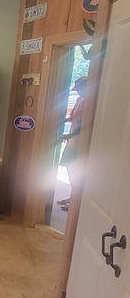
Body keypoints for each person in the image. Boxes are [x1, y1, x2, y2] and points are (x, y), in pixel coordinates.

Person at [57, 76, 89, 210]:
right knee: (70, 169)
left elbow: (85, 124)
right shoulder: (79, 100)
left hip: (80, 140)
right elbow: (72, 117)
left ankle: (76, 201)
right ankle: (73, 196)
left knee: (76, 171)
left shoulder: (91, 101)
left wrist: (70, 134)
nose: (78, 91)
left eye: (80, 88)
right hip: (73, 140)